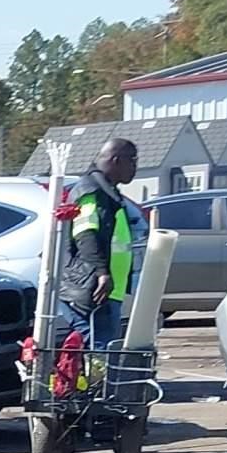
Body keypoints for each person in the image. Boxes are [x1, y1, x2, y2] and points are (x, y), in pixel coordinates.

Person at [59, 136, 144, 347]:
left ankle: (98, 380)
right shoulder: (91, 191)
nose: (135, 167)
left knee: (104, 350)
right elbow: (85, 233)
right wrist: (101, 272)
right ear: (116, 160)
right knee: (98, 351)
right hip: (92, 287)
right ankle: (96, 381)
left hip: (106, 289)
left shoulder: (108, 192)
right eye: (132, 160)